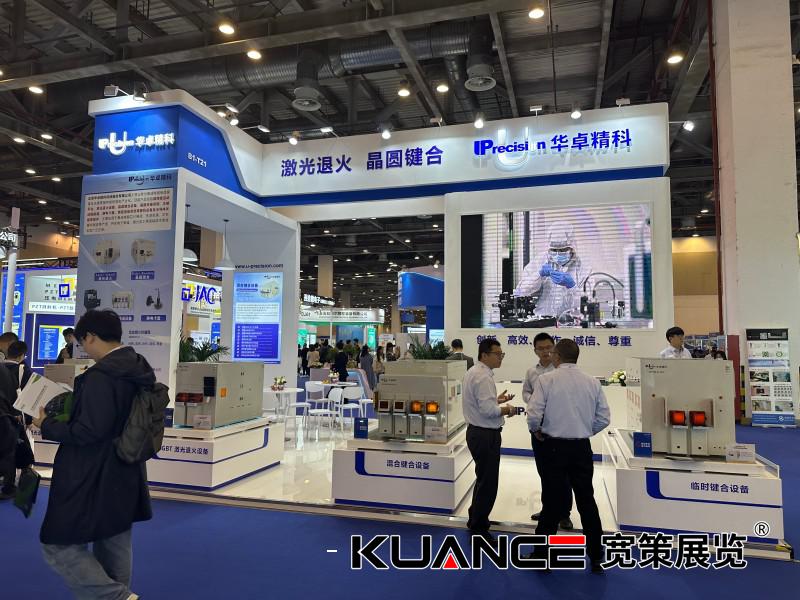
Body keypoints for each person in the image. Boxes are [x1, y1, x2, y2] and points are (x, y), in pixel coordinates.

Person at [32, 309, 155, 599]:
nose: (83, 349)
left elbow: (88, 431)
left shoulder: (101, 376)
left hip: (91, 471)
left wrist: (46, 424)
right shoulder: (137, 367)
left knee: (57, 544)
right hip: (125, 466)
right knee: (113, 538)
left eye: (81, 342)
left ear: (90, 337)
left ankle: (118, 597)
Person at [527, 339, 610, 573]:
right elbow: (604, 418)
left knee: (552, 501)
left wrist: (536, 430)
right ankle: (596, 556)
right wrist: (584, 431)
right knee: (587, 501)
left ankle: (541, 555)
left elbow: (533, 414)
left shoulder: (546, 380)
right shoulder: (592, 382)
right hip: (581, 448)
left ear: (557, 356)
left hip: (554, 447)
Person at [462, 338, 517, 541]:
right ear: (484, 355)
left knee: (483, 479)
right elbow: (487, 411)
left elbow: (480, 403)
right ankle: (479, 527)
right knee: (488, 483)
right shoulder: (483, 377)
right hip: (485, 435)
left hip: (477, 433)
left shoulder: (474, 372)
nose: (500, 357)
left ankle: (475, 518)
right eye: (497, 354)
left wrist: (497, 400)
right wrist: (508, 409)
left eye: (502, 354)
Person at [521, 333, 573, 530]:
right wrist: (535, 400)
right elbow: (525, 392)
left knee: (564, 473)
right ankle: (548, 510)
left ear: (555, 348)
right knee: (544, 472)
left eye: (548, 347)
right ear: (535, 350)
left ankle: (565, 514)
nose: (545, 351)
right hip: (538, 427)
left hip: (558, 428)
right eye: (541, 348)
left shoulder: (561, 370)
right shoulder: (531, 372)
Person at [513, 221, 587, 322]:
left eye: (562, 250)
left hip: (570, 323)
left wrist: (572, 286)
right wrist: (539, 275)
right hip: (541, 322)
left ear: (572, 249)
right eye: (554, 250)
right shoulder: (539, 262)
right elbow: (521, 292)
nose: (557, 254)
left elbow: (586, 305)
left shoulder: (583, 268)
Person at [0, 356, 19, 499]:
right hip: (6, 417)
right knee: (7, 453)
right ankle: (9, 487)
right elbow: (14, 394)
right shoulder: (6, 370)